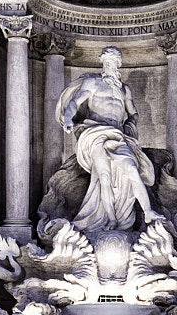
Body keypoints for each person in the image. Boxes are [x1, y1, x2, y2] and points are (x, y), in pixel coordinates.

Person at [55, 45, 157, 233]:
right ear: (102, 62)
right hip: (95, 132)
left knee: (132, 169)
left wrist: (130, 125)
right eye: (108, 61)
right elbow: (74, 102)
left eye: (115, 62)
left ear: (119, 64)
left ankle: (148, 211)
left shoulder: (124, 90)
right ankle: (110, 219)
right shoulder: (92, 83)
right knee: (104, 176)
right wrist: (68, 118)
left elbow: (133, 113)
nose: (111, 65)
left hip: (118, 135)